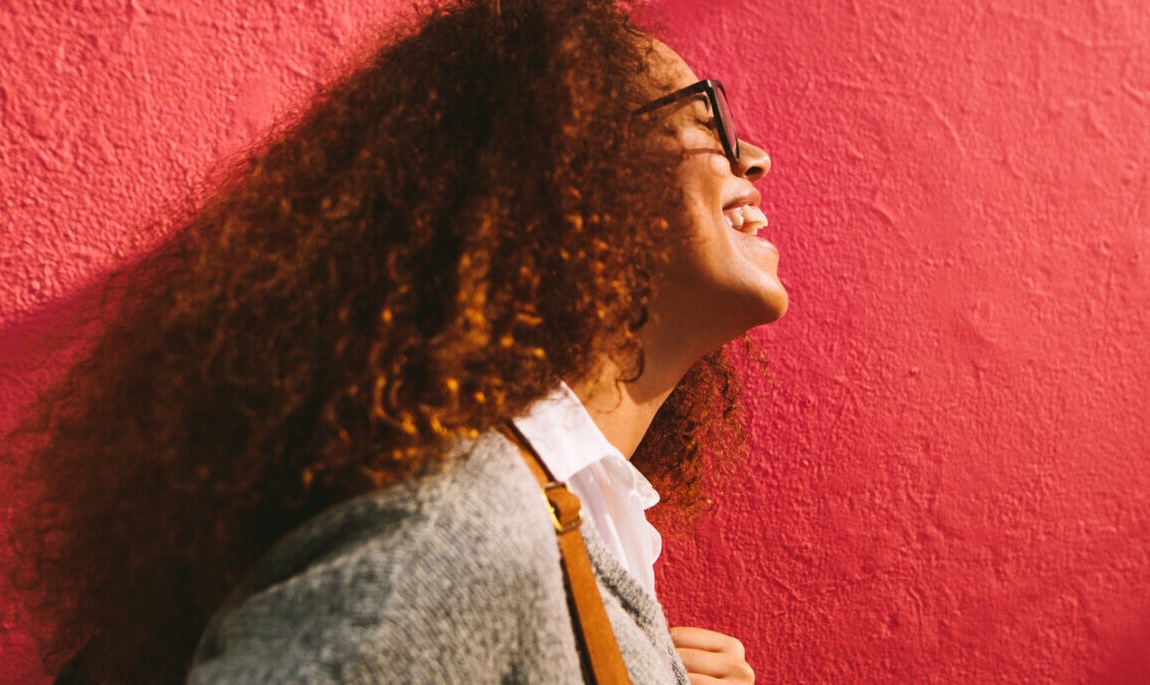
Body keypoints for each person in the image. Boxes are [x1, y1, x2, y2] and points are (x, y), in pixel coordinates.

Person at [4, 0, 785, 682]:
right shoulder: (469, 521)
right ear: (569, 171)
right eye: (700, 116)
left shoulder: (556, 523)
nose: (753, 155)